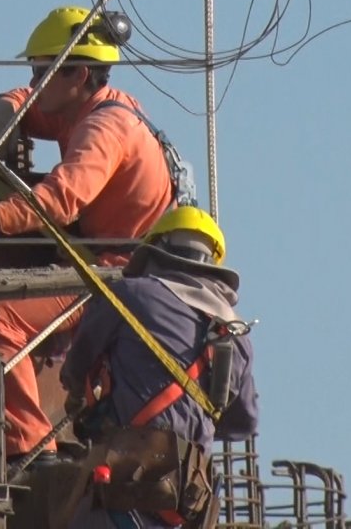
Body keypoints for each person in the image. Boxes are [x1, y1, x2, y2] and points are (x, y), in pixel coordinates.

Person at [0, 5, 176, 464]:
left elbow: (63, 199)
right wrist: (4, 112)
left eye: (41, 70)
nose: (33, 82)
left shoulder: (104, 127)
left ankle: (31, 448)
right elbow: (27, 106)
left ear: (79, 74)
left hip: (116, 275)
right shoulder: (88, 106)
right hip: (101, 263)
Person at [58, 206, 258, 529]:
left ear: (157, 249)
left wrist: (76, 397)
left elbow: (78, 363)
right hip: (183, 508)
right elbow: (243, 423)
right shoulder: (236, 337)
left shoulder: (130, 296)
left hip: (119, 495)